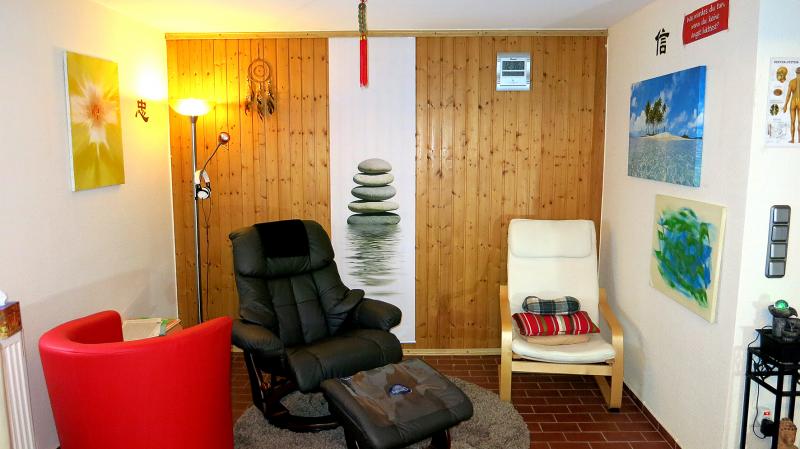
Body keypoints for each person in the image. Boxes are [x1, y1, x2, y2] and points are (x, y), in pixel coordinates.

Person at [784, 67, 800, 143]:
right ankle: (799, 140)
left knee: (792, 122)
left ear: (796, 73)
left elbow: (788, 95)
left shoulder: (792, 82)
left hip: (793, 101)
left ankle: (793, 139)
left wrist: (785, 105)